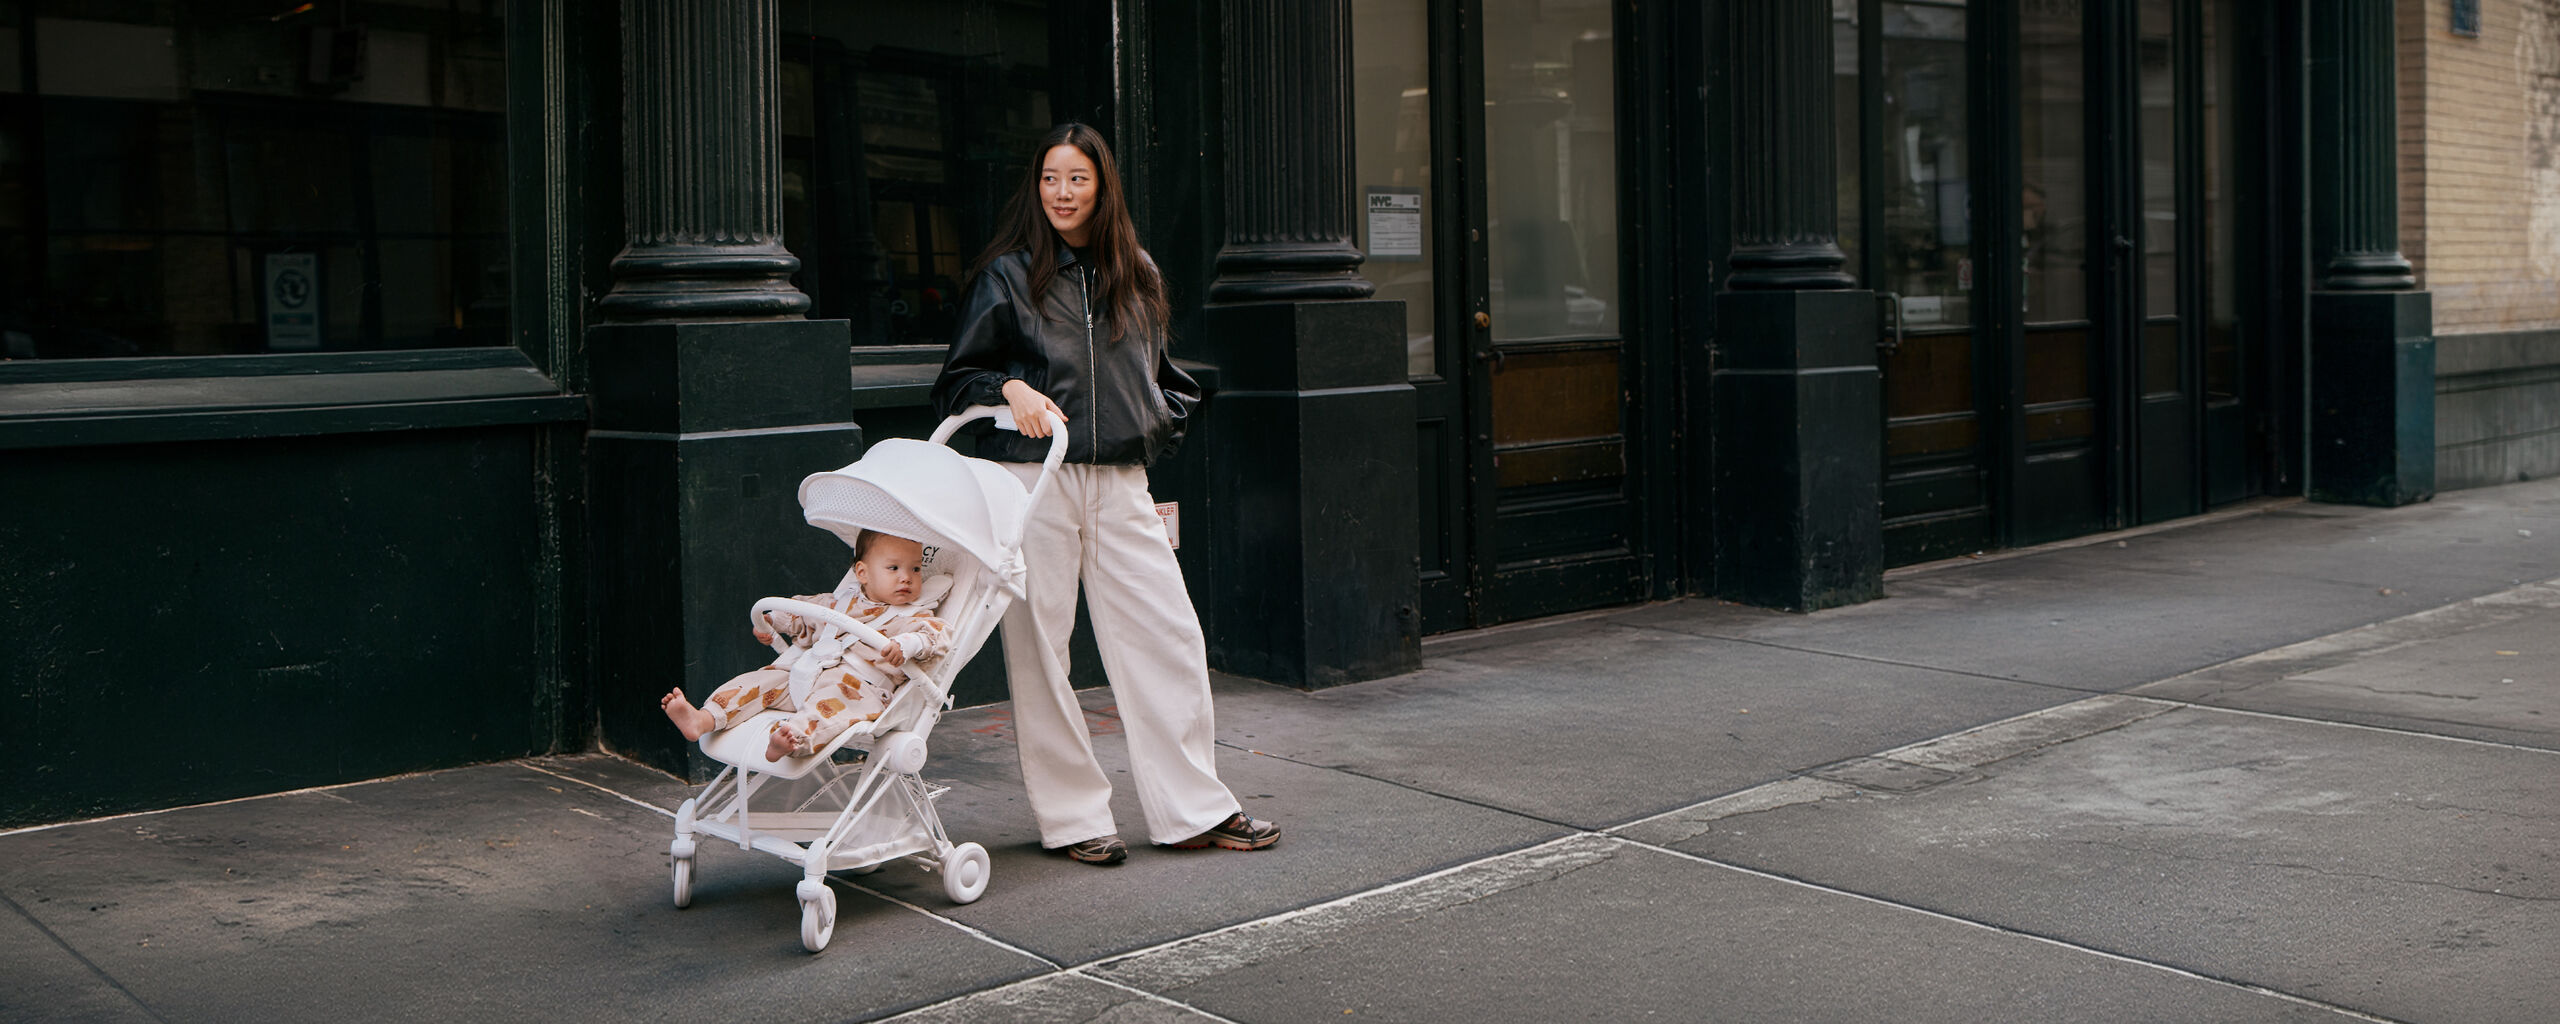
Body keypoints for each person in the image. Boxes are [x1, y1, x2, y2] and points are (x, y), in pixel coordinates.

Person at [930, 122, 1278, 865]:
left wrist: (1148, 431)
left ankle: (1194, 809)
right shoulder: (1007, 276)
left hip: (1121, 482)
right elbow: (957, 382)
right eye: (1051, 178)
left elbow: (1169, 385)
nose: (1062, 192)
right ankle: (1074, 818)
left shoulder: (1137, 275)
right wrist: (1009, 385)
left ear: (1101, 187)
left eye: (1077, 179)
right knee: (1041, 652)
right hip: (1033, 479)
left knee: (1169, 638)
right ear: (1038, 186)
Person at [661, 530, 953, 763]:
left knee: (827, 707)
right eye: (894, 568)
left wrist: (909, 644)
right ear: (862, 573)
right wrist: (772, 622)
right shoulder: (838, 603)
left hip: (857, 687)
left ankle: (789, 740)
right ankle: (704, 718)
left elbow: (937, 636)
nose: (907, 577)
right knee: (760, 681)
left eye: (915, 569)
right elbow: (803, 613)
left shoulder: (913, 615)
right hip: (806, 671)